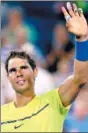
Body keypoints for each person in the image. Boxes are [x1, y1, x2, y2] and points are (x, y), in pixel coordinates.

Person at [1, 2, 88, 132]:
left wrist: (82, 39)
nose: (18, 72)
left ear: (36, 71)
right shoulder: (2, 114)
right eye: (12, 70)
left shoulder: (54, 101)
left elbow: (80, 78)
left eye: (24, 67)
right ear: (8, 78)